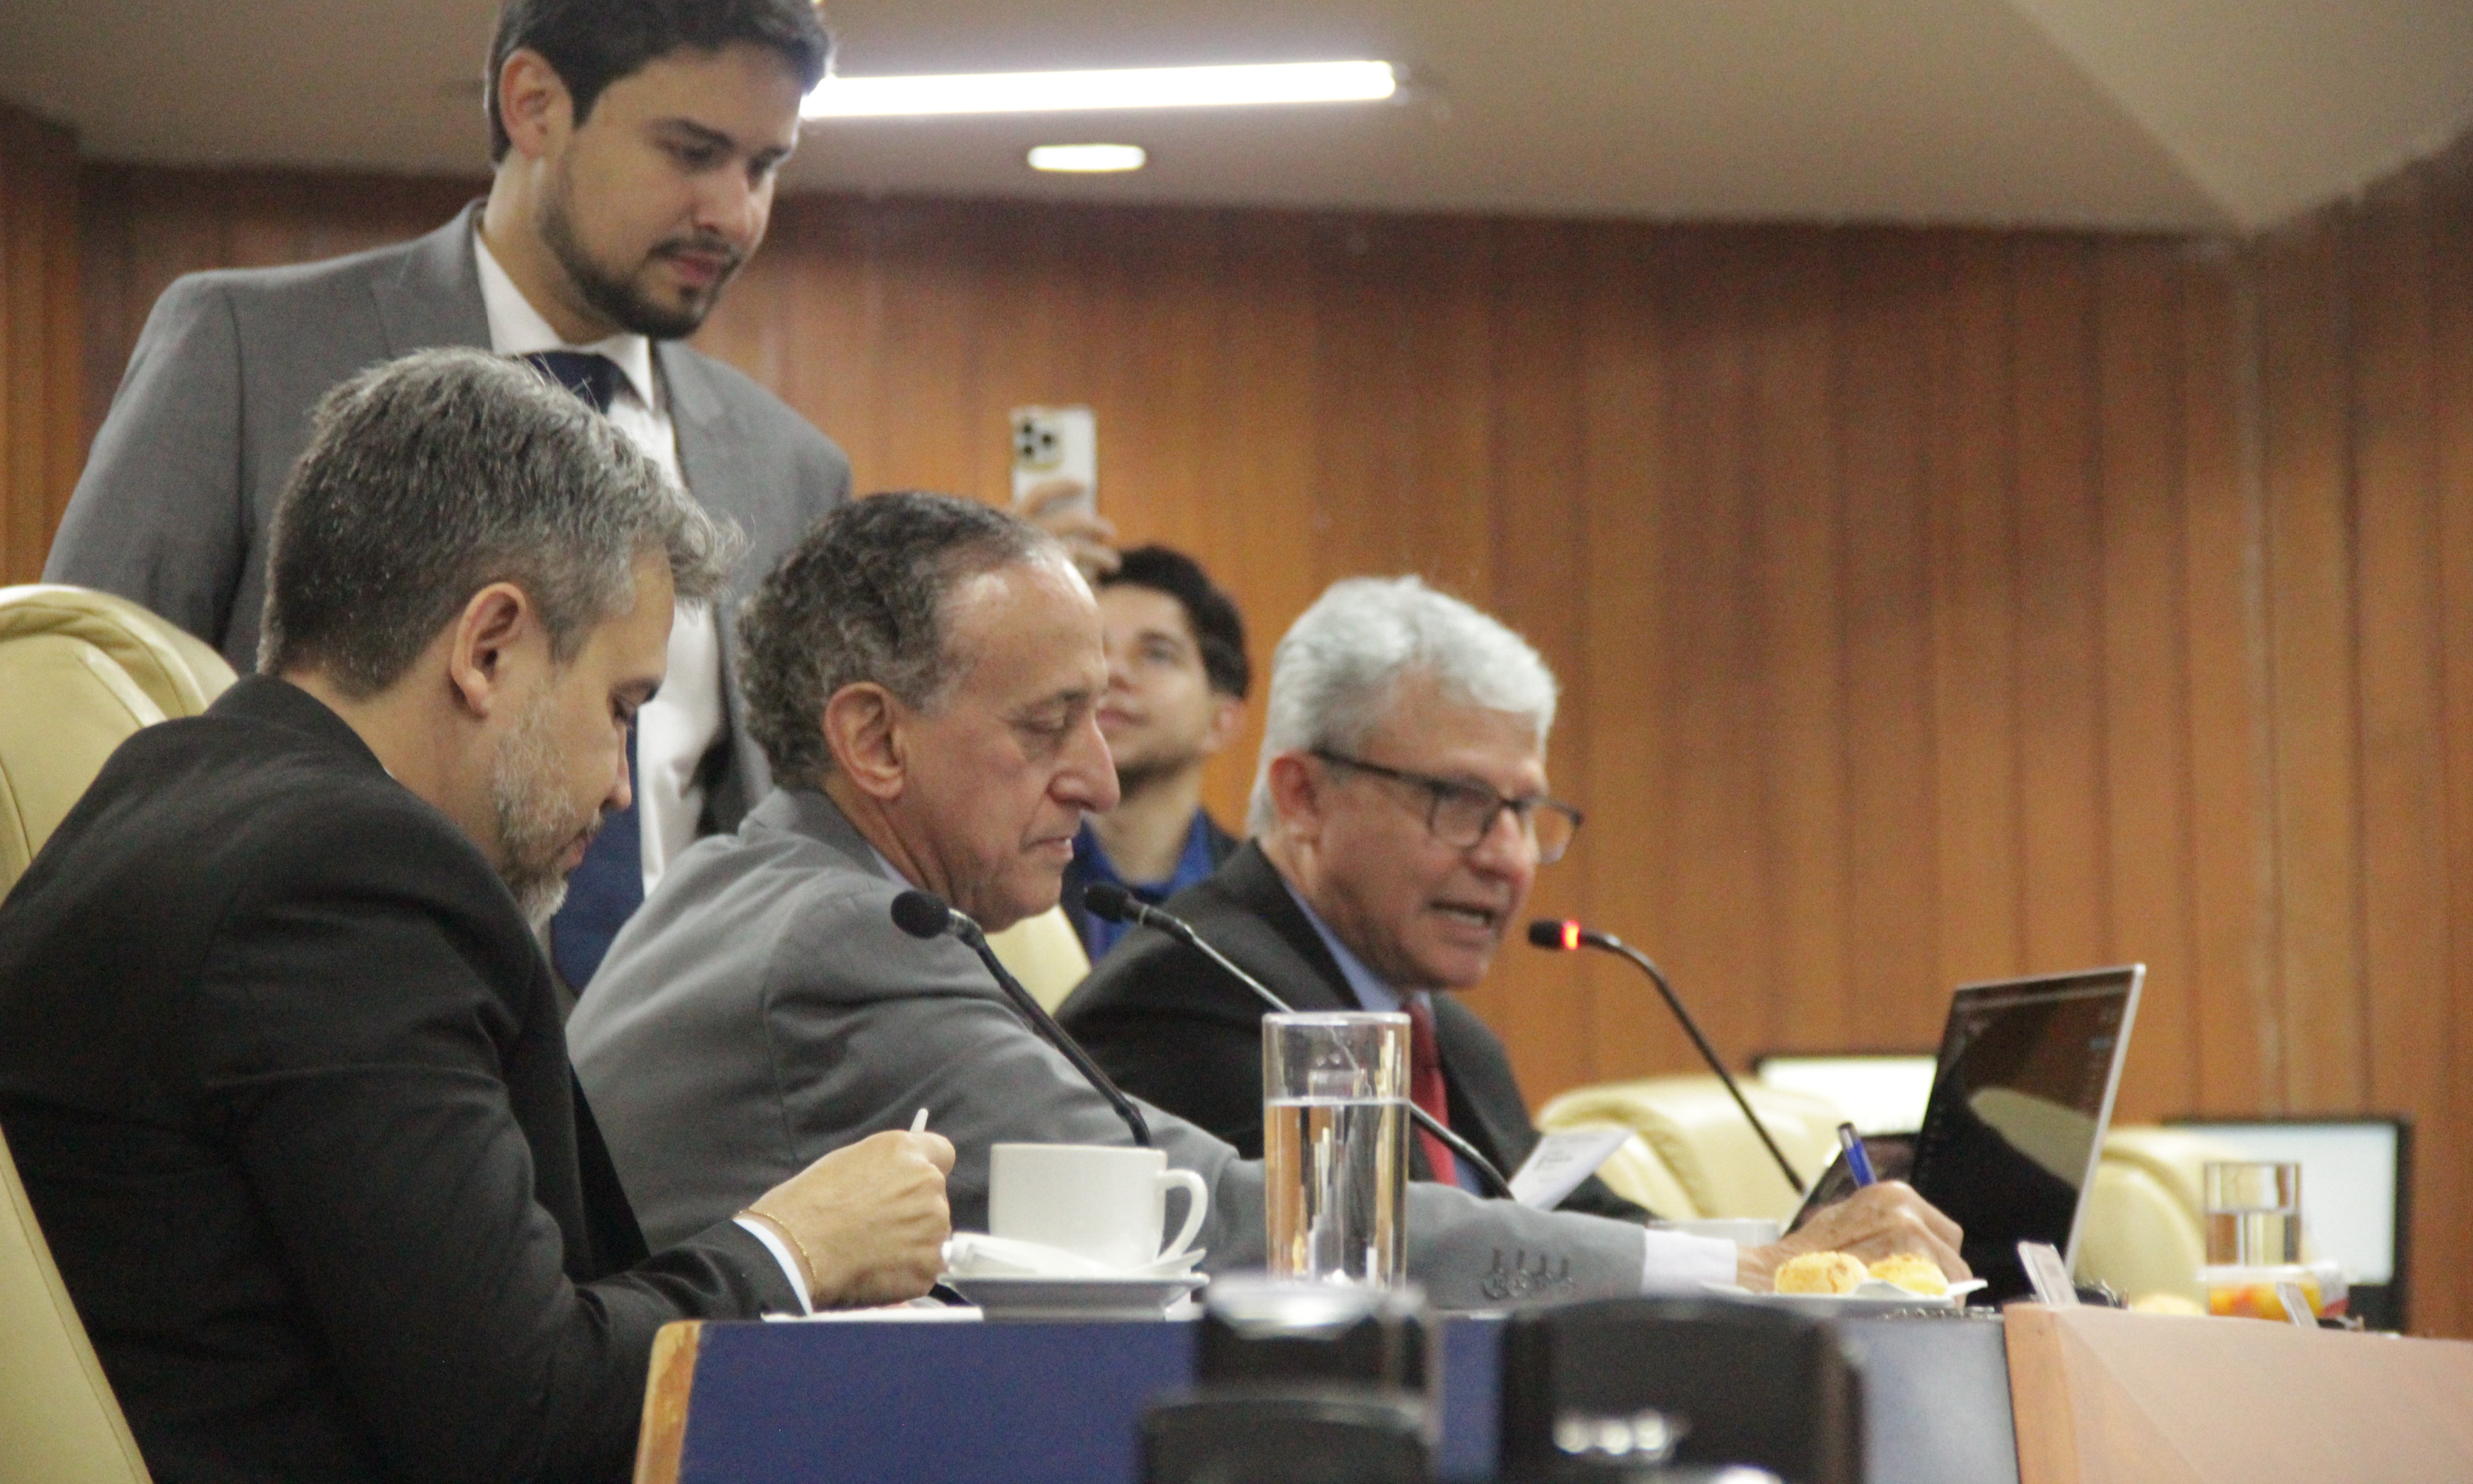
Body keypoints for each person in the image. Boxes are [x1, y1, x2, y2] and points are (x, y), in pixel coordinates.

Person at [567, 494, 1964, 1308]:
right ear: (874, 739)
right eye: (1050, 725)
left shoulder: (765, 889)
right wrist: (1751, 1271)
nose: (1097, 778)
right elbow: (1240, 1221)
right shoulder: (840, 938)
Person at [0, 353, 953, 1484]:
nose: (619, 785)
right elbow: (522, 1418)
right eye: (621, 707)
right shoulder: (347, 885)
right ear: (489, 646)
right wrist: (794, 1248)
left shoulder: (162, 794)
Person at [44, 0, 848, 994]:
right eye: (691, 150)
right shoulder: (247, 351)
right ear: (534, 103)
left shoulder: (789, 465)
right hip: (307, 1029)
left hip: (666, 1073)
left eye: (763, 167)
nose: (734, 213)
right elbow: (70, 714)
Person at [1057, 578, 1724, 1223]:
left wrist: (1761, 1257)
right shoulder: (1185, 997)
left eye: (1522, 809)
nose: (1506, 857)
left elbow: (1590, 1228)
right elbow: (1391, 1250)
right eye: (1457, 800)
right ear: (1304, 797)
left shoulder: (1451, 1037)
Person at [1061, 544, 1249, 958]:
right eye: (1095, 648)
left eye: (1157, 654)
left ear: (1221, 720)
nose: (1113, 672)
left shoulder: (1261, 904)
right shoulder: (1004, 874)